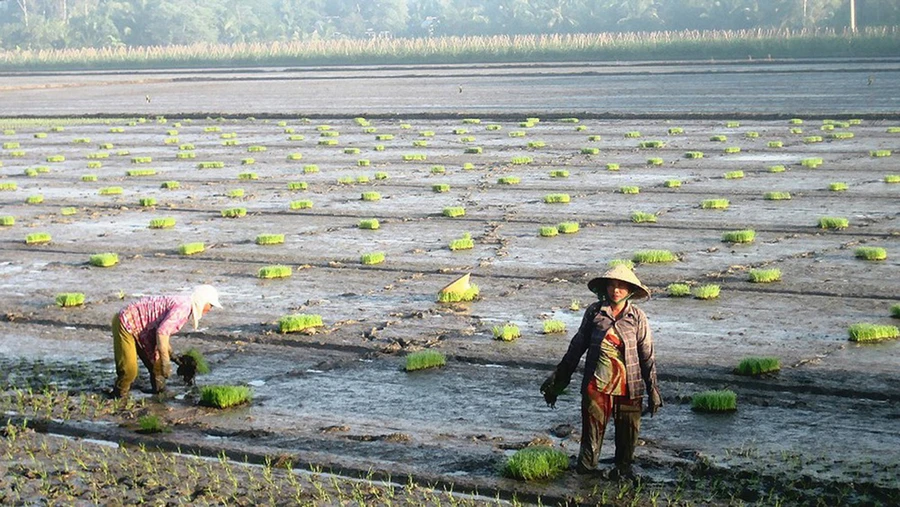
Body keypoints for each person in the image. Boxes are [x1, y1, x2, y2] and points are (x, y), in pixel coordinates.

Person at [541, 265, 662, 479]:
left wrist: (653, 390)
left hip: (630, 388)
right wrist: (558, 381)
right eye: (612, 285)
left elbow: (647, 356)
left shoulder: (637, 317)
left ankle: (622, 473)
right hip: (596, 388)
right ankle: (585, 479)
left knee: (627, 441)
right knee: (591, 439)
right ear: (605, 288)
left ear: (630, 291)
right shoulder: (595, 312)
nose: (616, 290)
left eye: (621, 286)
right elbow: (576, 348)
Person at [112, 285, 222, 397]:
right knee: (130, 371)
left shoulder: (185, 305)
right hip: (126, 322)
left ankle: (159, 394)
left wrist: (174, 357)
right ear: (202, 301)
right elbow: (162, 333)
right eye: (211, 305)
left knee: (156, 365)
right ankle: (119, 395)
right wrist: (166, 362)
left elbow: (163, 336)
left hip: (145, 328)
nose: (210, 309)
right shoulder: (183, 308)